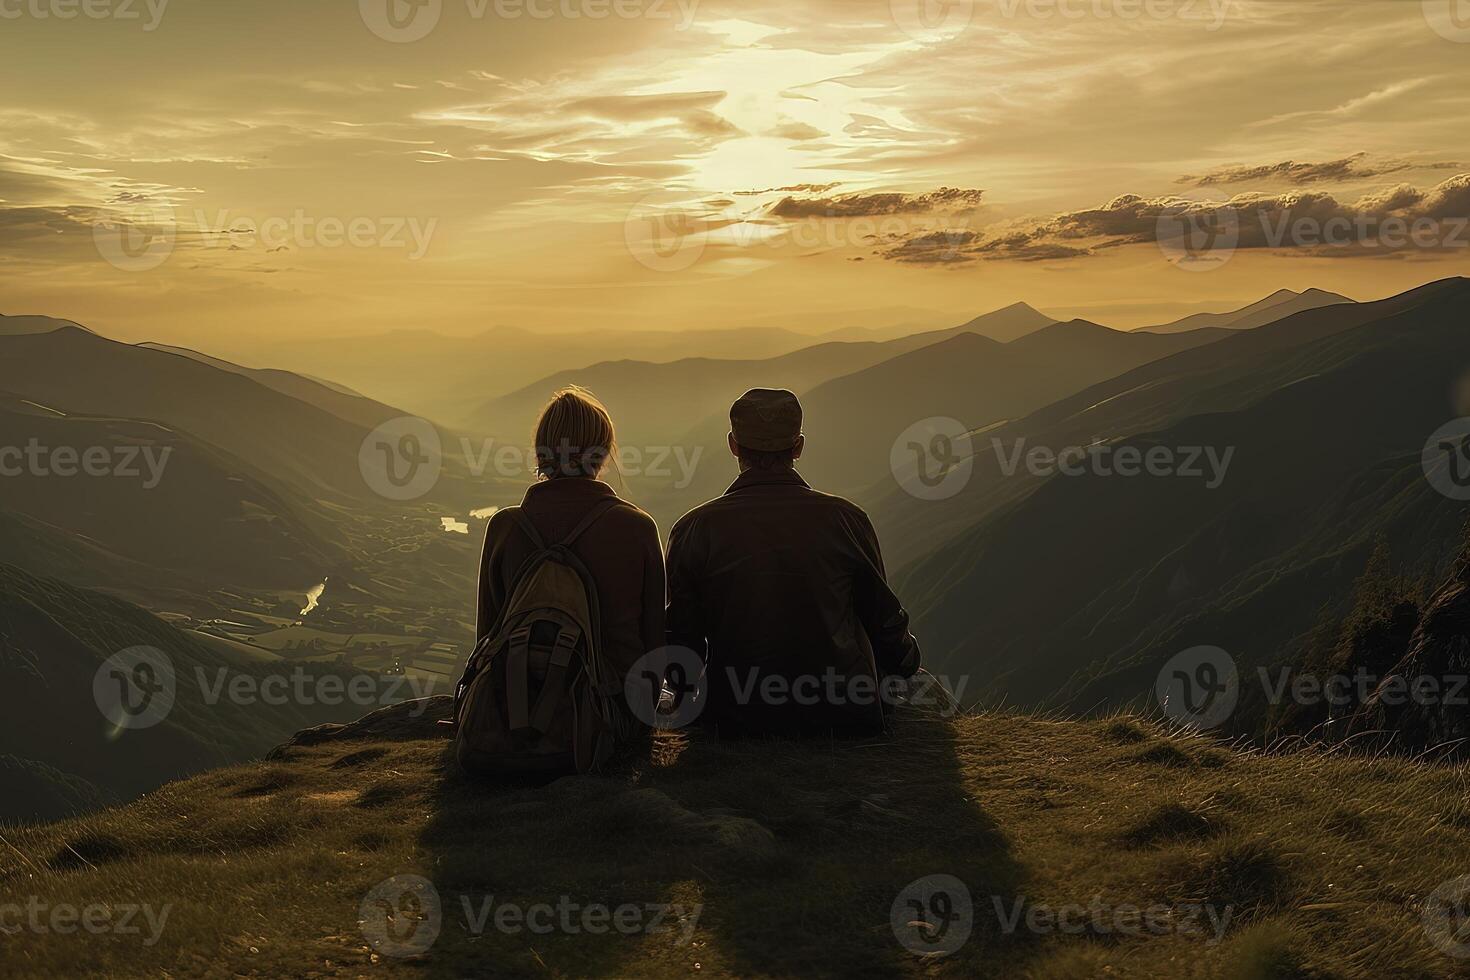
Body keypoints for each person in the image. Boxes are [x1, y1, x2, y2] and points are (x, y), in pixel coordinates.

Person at [665, 387, 921, 736]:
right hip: (843, 713)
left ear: (733, 445)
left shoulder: (694, 528)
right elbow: (884, 622)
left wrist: (686, 702)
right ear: (798, 446)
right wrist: (903, 665)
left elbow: (682, 639)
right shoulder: (846, 520)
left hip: (735, 716)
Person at [474, 386, 665, 740]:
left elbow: (488, 635)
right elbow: (653, 645)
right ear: (603, 452)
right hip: (610, 720)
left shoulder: (505, 528)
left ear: (540, 452)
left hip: (515, 714)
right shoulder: (637, 528)